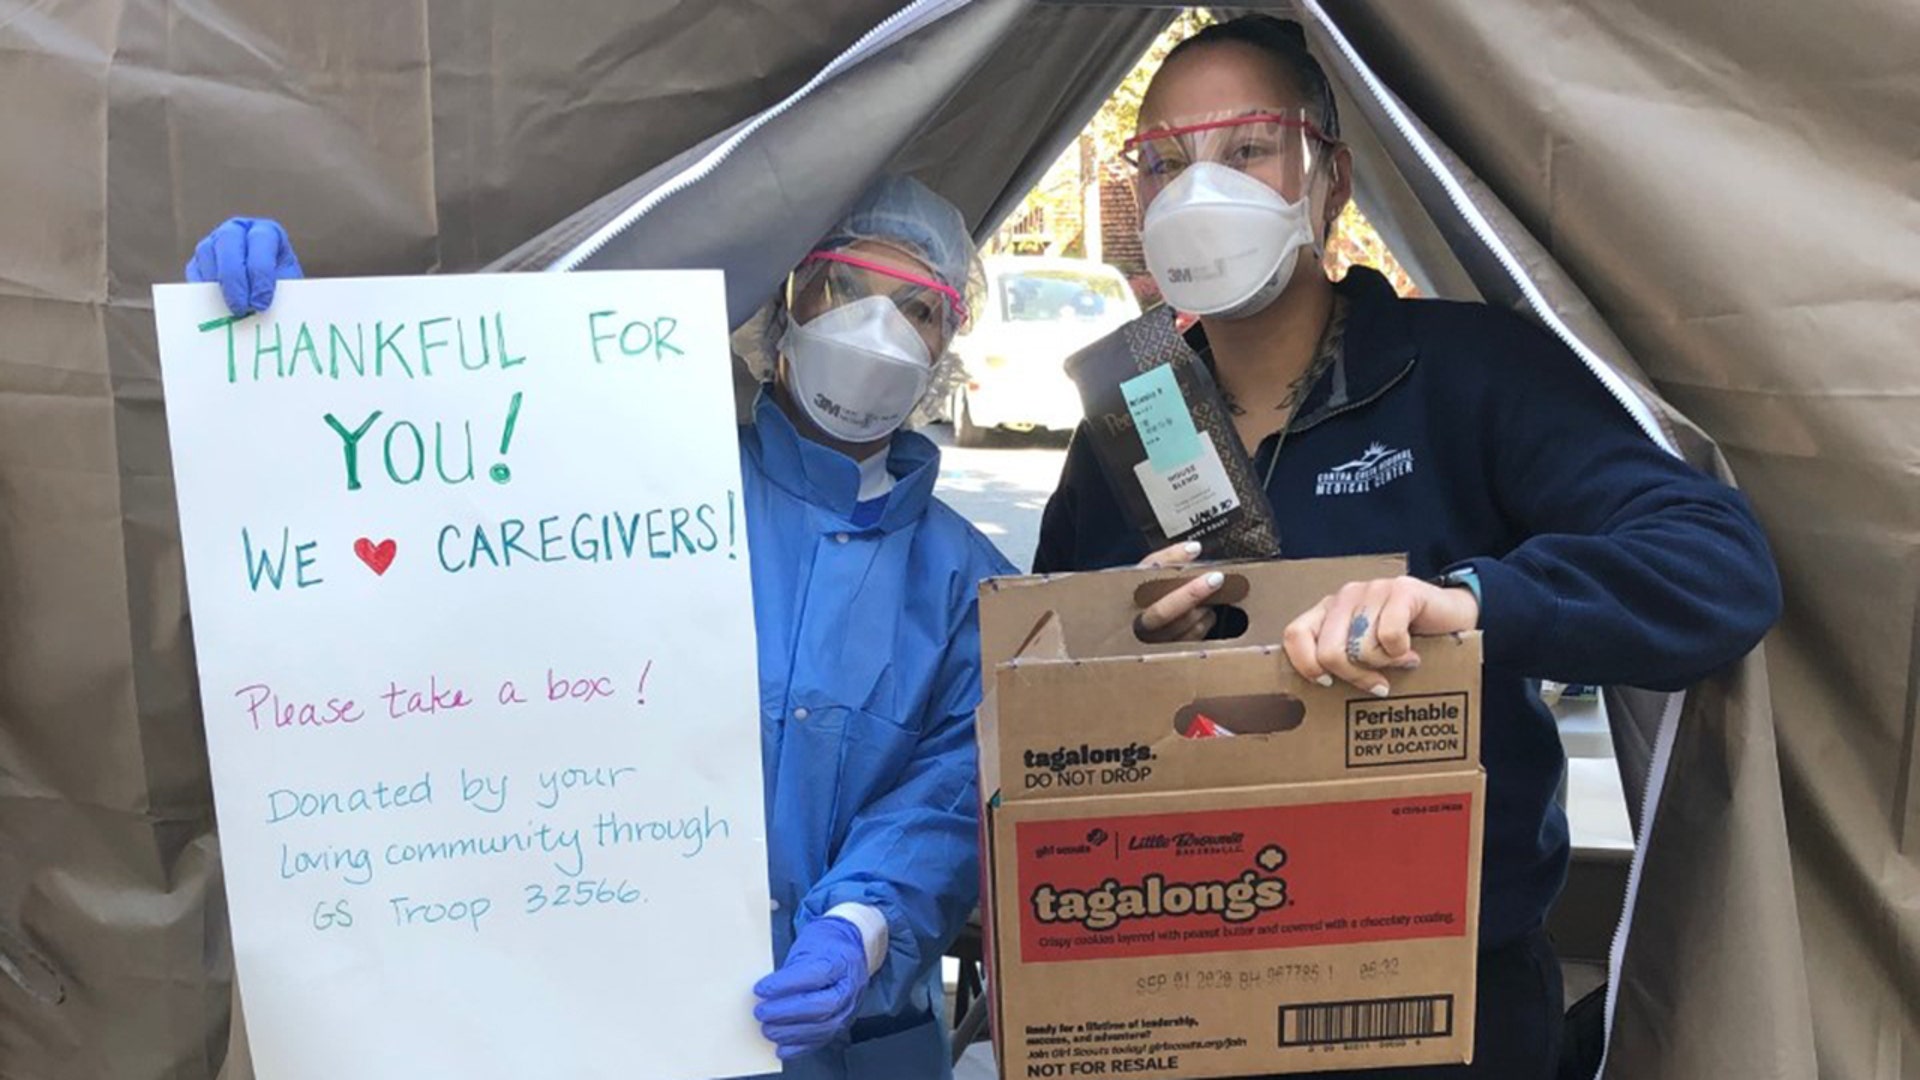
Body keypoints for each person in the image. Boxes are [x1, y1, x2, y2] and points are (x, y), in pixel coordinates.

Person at [1033, 16, 1782, 1079]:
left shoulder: (1469, 374)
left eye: (1247, 149)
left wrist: (1469, 604)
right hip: (1188, 980)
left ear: (1330, 180)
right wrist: (1125, 636)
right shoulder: (1128, 422)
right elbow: (1037, 687)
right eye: (1162, 161)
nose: (1199, 191)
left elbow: (1717, 565)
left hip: (1438, 995)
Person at [187, 174, 1014, 1079]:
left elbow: (950, 794)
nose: (876, 330)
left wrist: (864, 925)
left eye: (917, 309)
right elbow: (438, 536)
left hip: (846, 1049)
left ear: (948, 341)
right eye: (845, 289)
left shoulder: (970, 588)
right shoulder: (643, 484)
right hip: (605, 1022)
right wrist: (289, 362)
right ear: (787, 300)